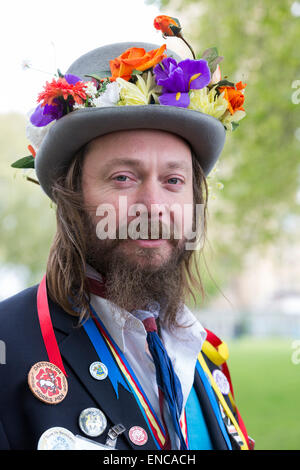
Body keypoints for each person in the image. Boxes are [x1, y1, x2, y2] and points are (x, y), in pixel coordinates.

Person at [0, 17, 252, 450]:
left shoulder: (206, 356)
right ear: (70, 195)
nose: (152, 206)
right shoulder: (7, 347)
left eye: (173, 181)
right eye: (122, 177)